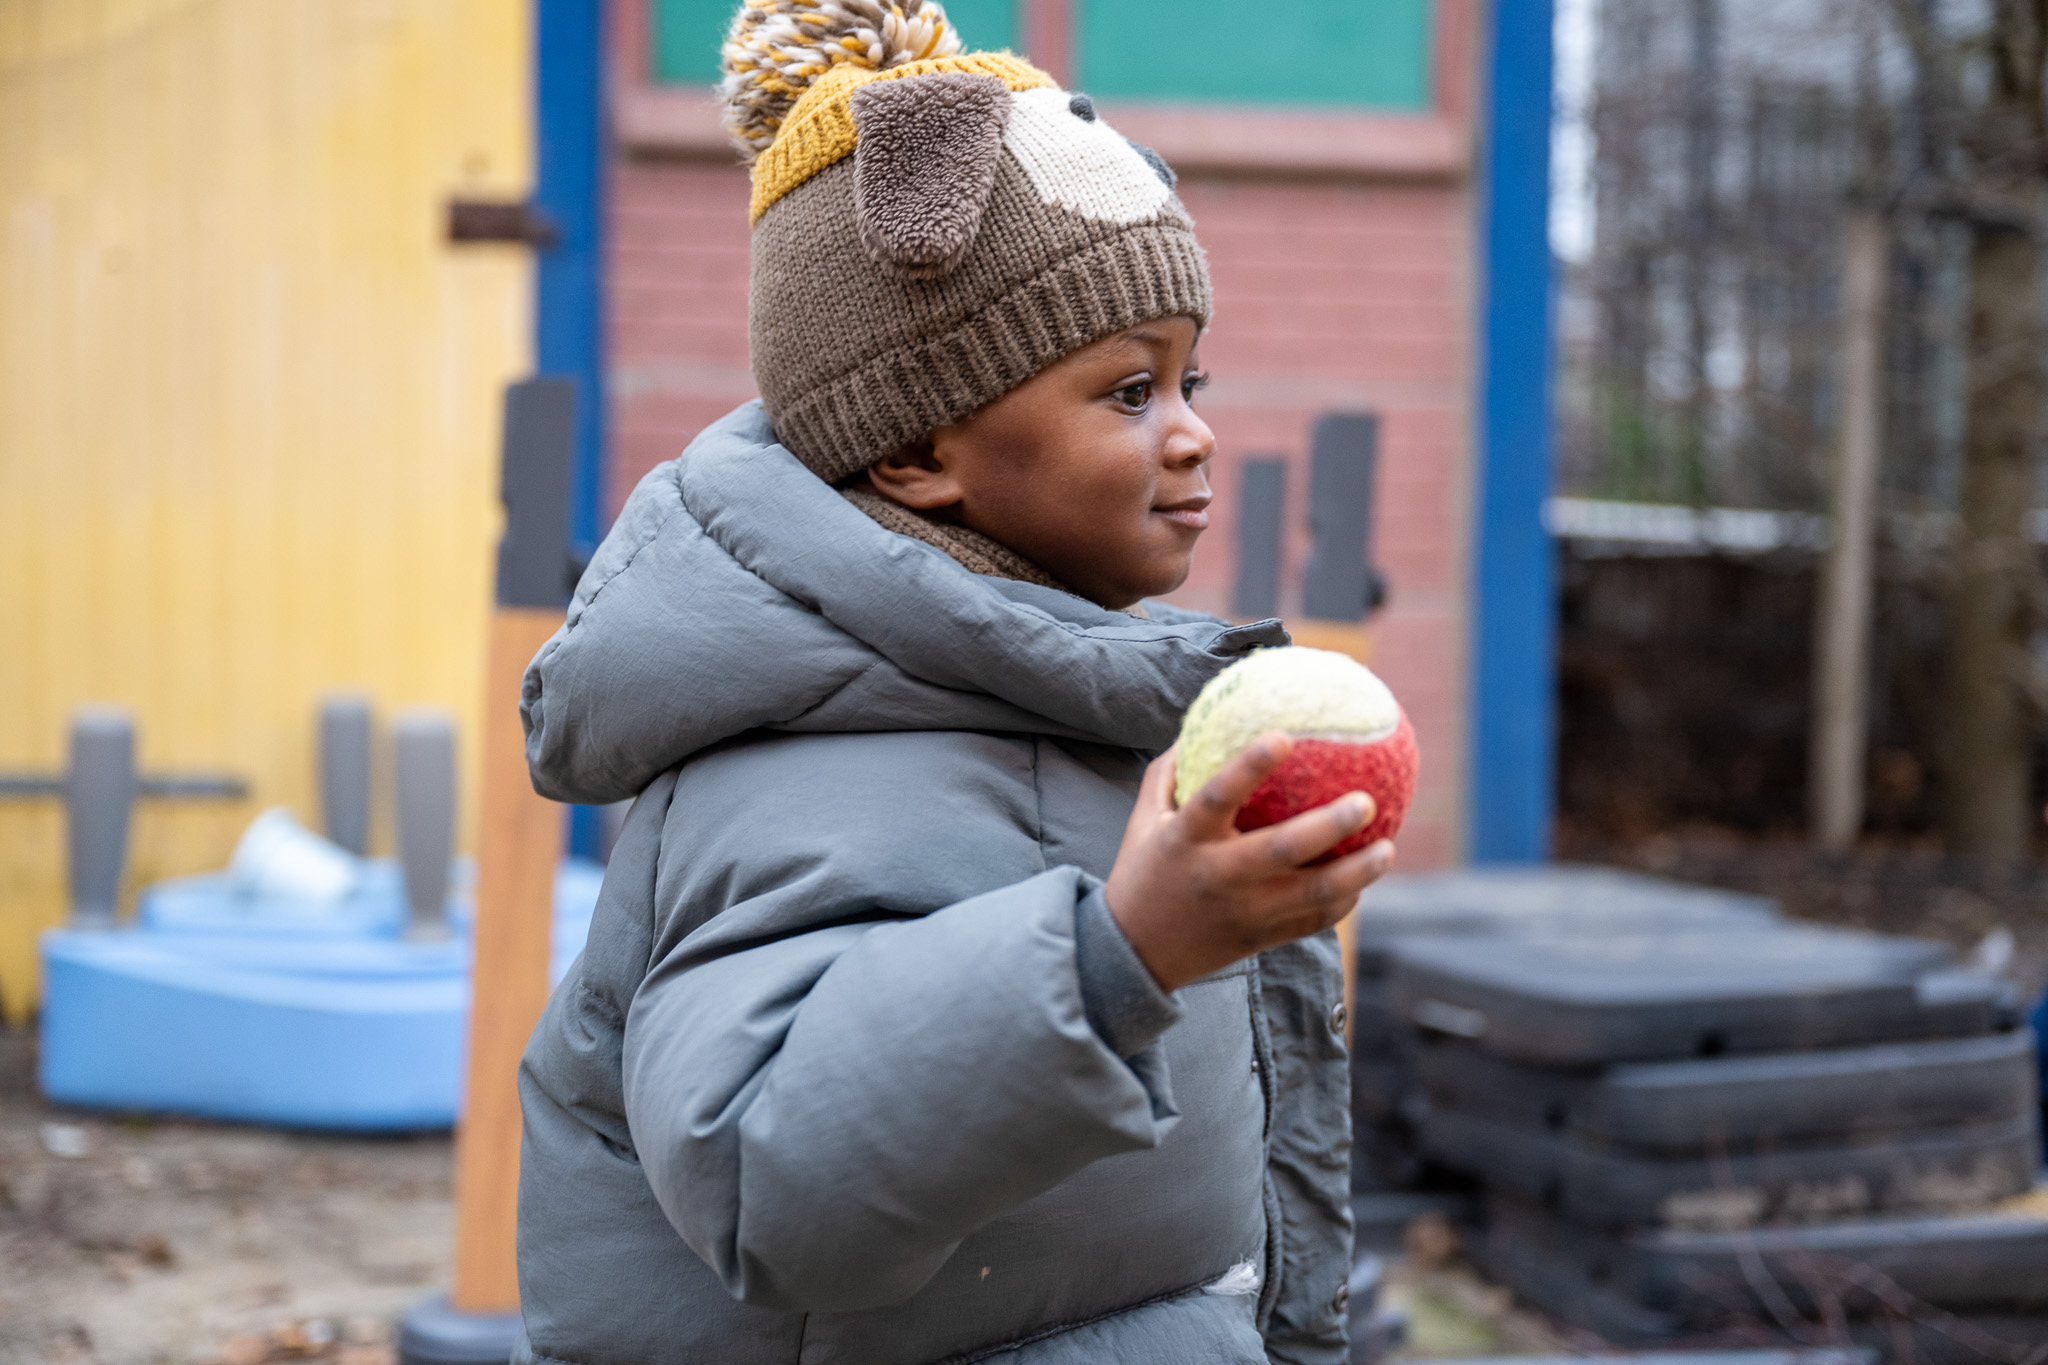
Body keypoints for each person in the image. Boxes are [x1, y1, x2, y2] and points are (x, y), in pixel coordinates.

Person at [511, 3, 1396, 1360]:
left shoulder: (1071, 704)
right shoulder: (797, 773)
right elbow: (766, 1179)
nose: (1193, 432)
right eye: (1126, 393)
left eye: (1189, 377)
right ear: (924, 452)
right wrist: (1118, 960)